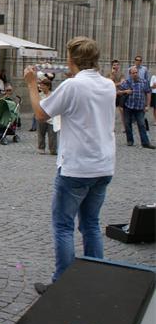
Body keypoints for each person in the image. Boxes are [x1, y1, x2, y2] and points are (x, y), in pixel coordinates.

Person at [23, 37, 117, 294]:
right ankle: (95, 277)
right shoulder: (108, 85)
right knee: (91, 224)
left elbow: (41, 114)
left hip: (77, 166)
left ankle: (62, 283)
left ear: (72, 59)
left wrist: (31, 85)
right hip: (103, 164)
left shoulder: (73, 86)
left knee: (63, 226)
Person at [119, 66, 154, 149]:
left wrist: (148, 105)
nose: (135, 74)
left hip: (140, 107)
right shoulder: (126, 82)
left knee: (142, 124)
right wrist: (125, 91)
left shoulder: (144, 82)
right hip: (128, 107)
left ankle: (145, 143)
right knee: (127, 124)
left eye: (136, 72)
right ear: (130, 74)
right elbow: (118, 92)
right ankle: (130, 140)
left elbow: (148, 93)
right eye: (133, 73)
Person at [37, 79, 58, 155]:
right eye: (41, 85)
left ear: (48, 86)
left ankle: (53, 149)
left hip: (51, 117)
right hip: (42, 117)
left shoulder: (53, 95)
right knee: (41, 134)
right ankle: (41, 148)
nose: (41, 87)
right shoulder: (39, 95)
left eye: (43, 85)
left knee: (52, 135)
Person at [108, 60, 126, 130]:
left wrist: (114, 84)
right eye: (114, 65)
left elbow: (122, 83)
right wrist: (112, 74)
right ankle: (111, 127)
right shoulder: (109, 74)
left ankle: (124, 126)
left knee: (122, 110)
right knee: (111, 111)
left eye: (117, 65)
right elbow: (109, 83)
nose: (116, 66)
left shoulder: (121, 74)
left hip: (120, 93)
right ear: (112, 66)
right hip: (112, 94)